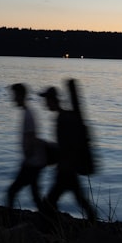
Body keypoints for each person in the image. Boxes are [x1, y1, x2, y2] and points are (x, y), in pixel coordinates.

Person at [39, 86, 98, 223]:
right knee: (80, 200)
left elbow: (67, 146)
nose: (45, 104)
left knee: (49, 202)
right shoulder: (65, 116)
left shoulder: (62, 118)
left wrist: (59, 160)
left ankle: (51, 228)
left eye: (46, 100)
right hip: (68, 169)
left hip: (66, 170)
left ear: (53, 100)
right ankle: (92, 224)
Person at [6, 83, 47, 214]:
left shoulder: (28, 115)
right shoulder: (28, 113)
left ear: (21, 96)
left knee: (12, 191)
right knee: (35, 195)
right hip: (35, 161)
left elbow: (31, 138)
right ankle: (48, 221)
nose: (13, 98)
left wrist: (27, 159)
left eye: (14, 95)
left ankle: (8, 220)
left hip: (32, 162)